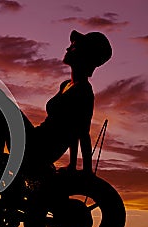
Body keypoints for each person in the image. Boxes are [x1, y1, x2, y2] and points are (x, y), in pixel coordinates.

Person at [21, 30, 112, 175]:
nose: (68, 48)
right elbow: (72, 131)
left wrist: (86, 170)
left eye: (74, 46)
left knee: (0, 100)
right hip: (37, 136)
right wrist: (73, 164)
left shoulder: (83, 90)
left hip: (42, 147)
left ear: (85, 55)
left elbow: (81, 131)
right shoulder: (66, 85)